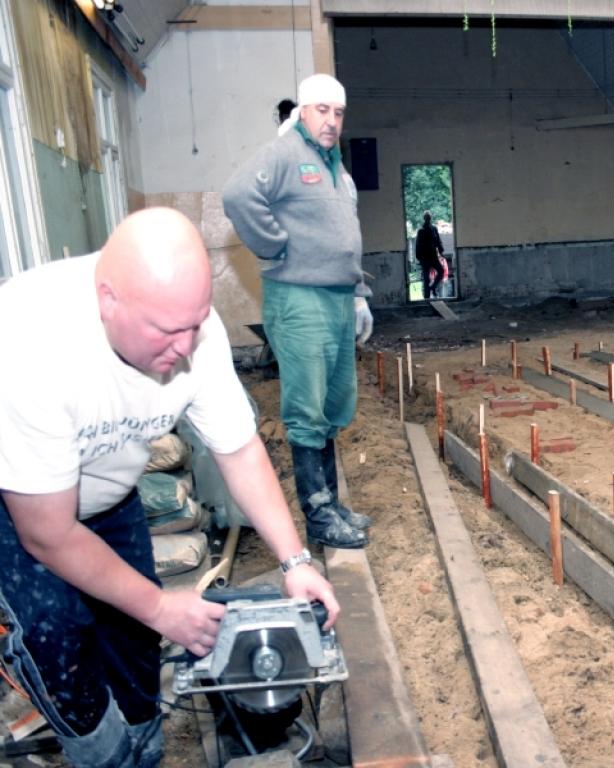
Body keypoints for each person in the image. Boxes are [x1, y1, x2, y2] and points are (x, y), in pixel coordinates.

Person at [0, 207, 341, 768]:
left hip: (108, 495)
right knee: (61, 642)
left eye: (196, 325)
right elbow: (49, 533)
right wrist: (161, 605)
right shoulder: (31, 342)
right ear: (108, 301)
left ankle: (145, 748)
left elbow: (239, 449)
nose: (186, 349)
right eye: (167, 332)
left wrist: (294, 561)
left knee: (134, 648)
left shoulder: (190, 330)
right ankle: (105, 757)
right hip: (25, 511)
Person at [223, 73, 372, 550]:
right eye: (322, 110)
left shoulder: (336, 166)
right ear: (304, 111)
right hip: (300, 299)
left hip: (337, 298)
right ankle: (318, 515)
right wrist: (274, 244)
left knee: (331, 405)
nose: (331, 120)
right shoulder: (285, 152)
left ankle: (331, 502)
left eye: (339, 112)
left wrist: (358, 292)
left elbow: (347, 232)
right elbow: (237, 194)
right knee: (306, 408)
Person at [415, 211, 445, 299]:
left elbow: (438, 241)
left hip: (433, 256)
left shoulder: (434, 229)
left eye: (429, 217)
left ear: (430, 218)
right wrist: (419, 257)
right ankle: (427, 297)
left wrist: (441, 252)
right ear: (424, 219)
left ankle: (433, 287)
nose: (428, 219)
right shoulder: (421, 231)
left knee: (441, 271)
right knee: (426, 278)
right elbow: (417, 245)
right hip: (424, 258)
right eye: (427, 217)